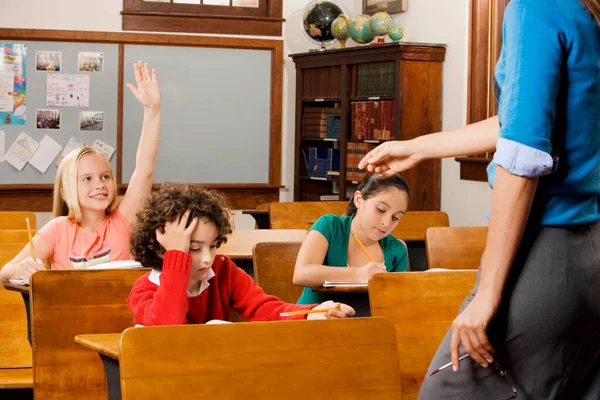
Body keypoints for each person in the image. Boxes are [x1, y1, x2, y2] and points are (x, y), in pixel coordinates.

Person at [359, 0, 600, 398]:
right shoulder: (585, 10)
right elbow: (523, 118)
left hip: (547, 253)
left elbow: (522, 157)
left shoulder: (535, 7)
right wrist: (420, 147)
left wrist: (488, 292)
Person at [0, 60, 161, 281]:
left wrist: (152, 110)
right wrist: (21, 270)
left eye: (105, 176)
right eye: (87, 178)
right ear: (67, 191)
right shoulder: (58, 229)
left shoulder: (122, 222)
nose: (99, 184)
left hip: (118, 314)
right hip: (69, 315)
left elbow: (144, 170)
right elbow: (4, 272)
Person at [128, 182, 355, 325]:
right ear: (161, 249)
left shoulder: (222, 269)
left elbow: (263, 308)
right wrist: (176, 255)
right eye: (194, 249)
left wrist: (311, 313)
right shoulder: (144, 291)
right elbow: (168, 325)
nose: (207, 258)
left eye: (214, 245)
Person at [293, 173, 410, 305]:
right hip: (315, 320)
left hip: (367, 323)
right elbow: (301, 273)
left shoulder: (397, 249)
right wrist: (358, 274)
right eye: (381, 210)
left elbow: (400, 301)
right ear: (358, 200)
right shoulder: (329, 226)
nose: (386, 223)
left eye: (395, 218)